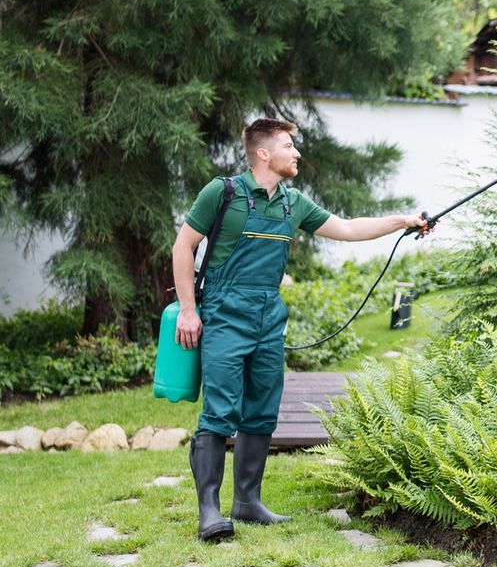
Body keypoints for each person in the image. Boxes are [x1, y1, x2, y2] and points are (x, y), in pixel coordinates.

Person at [169, 117, 433, 541]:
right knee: (219, 409)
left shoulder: (293, 204)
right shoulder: (224, 193)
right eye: (288, 146)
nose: (296, 153)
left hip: (268, 316)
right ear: (263, 153)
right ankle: (209, 512)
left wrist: (403, 221)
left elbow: (347, 228)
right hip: (223, 312)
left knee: (262, 408)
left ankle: (248, 502)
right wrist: (187, 310)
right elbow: (183, 246)